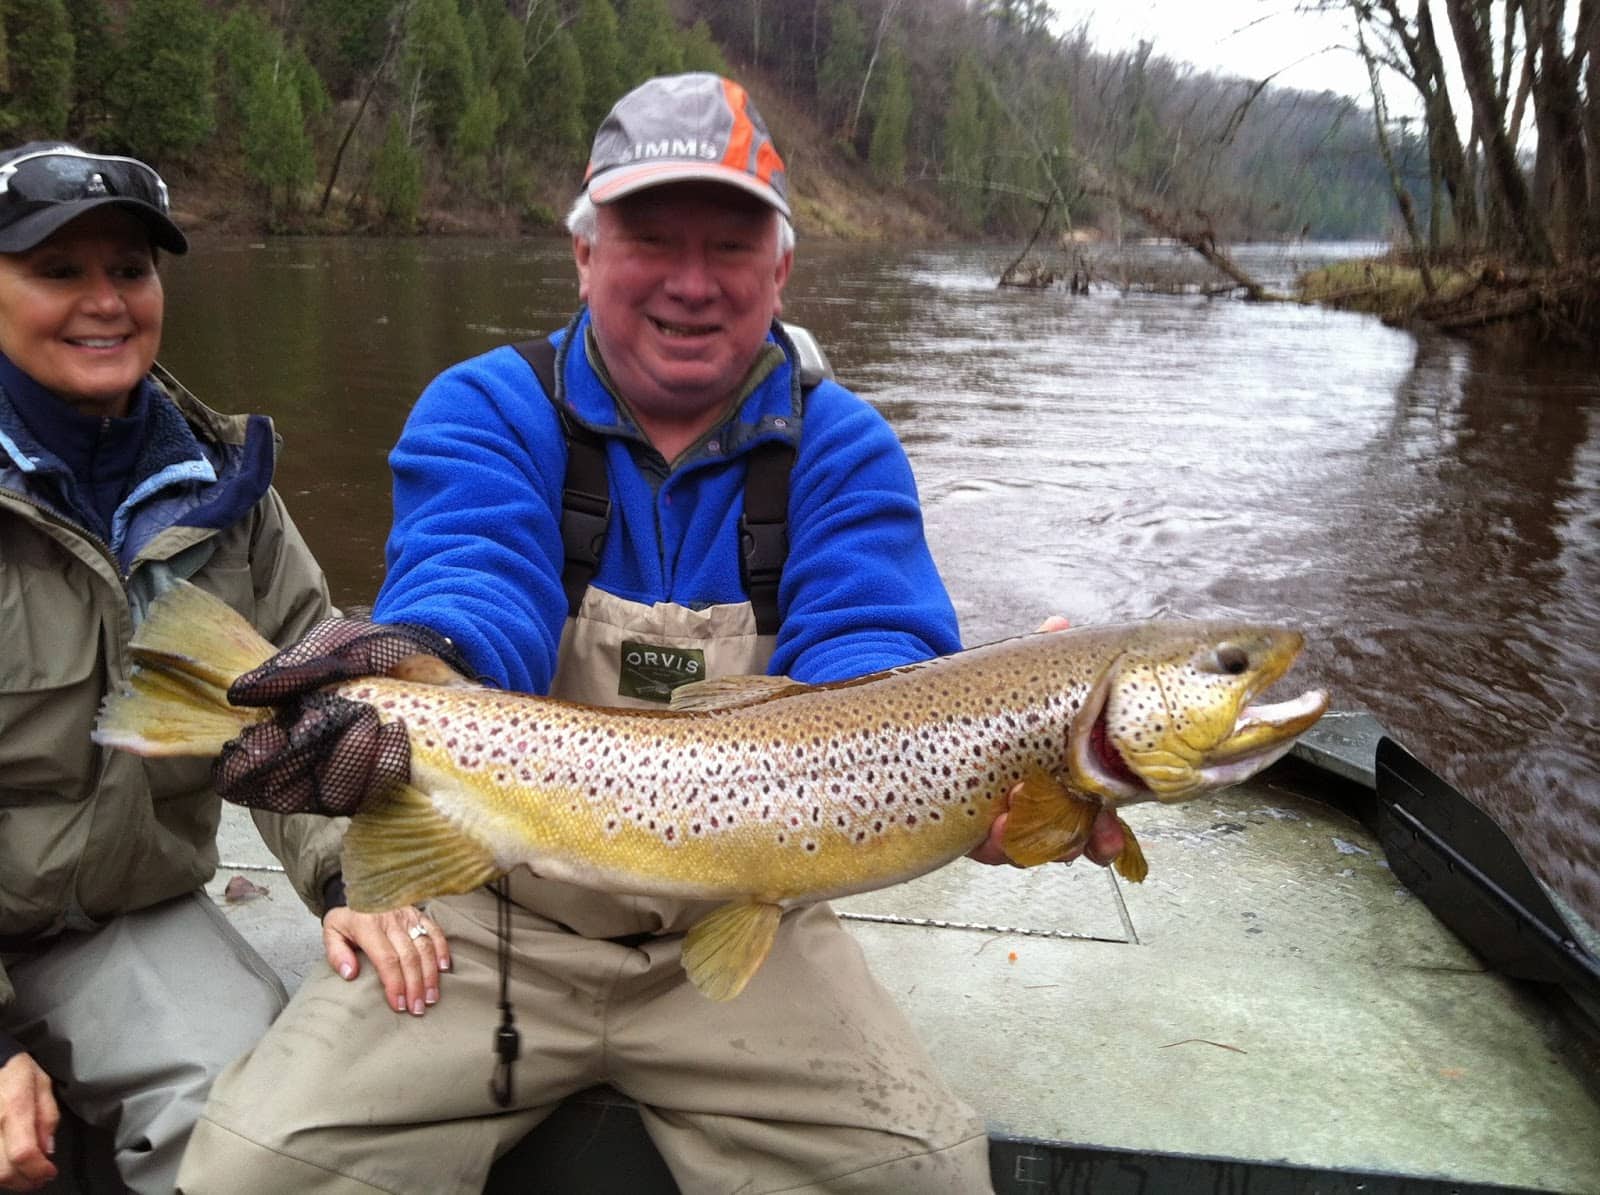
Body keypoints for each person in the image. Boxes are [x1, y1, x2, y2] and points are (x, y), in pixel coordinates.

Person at [178, 74, 1125, 1195]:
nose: (690, 281)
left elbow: (874, 659)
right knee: (252, 1170)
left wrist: (988, 750)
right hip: (492, 913)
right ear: (583, 256)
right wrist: (414, 657)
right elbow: (475, 582)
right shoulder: (487, 406)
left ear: (780, 271)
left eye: (730, 246)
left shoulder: (845, 450)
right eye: (649, 238)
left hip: (744, 926)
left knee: (920, 1173)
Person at [0, 142, 440, 1195]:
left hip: (125, 917)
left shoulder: (225, 492)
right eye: (59, 271)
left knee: (261, 1125)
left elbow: (309, 713)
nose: (104, 302)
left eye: (130, 270)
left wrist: (350, 878)